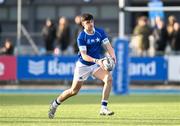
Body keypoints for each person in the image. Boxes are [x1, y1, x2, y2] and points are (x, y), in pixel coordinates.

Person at [48, 13, 116, 119]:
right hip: (83, 66)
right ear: (83, 24)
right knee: (73, 91)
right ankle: (55, 104)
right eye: (87, 22)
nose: (90, 24)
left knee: (109, 78)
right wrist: (97, 61)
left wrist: (113, 56)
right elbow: (84, 56)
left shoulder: (100, 32)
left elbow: (108, 46)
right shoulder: (81, 37)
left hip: (95, 65)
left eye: (91, 21)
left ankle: (103, 108)